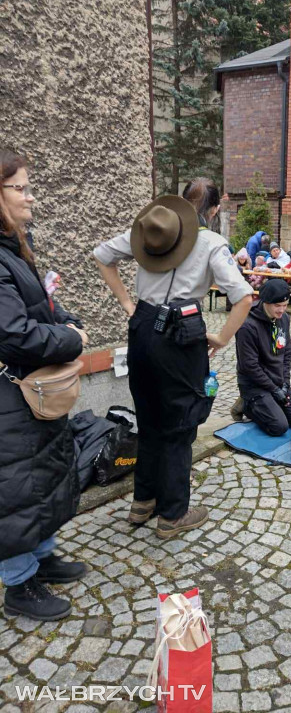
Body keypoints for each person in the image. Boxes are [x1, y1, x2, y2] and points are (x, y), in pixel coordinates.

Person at [94, 179, 253, 539]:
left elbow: (103, 254)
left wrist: (128, 304)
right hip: (181, 335)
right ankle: (172, 515)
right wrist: (223, 338)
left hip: (143, 328)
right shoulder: (212, 242)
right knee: (180, 424)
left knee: (149, 416)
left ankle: (143, 502)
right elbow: (243, 297)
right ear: (213, 211)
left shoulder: (151, 228)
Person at [0, 149, 89, 621]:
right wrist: (69, 340)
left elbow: (43, 308)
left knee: (43, 477)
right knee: (15, 488)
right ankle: (18, 585)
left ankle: (41, 558)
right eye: (22, 188)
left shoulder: (16, 247)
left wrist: (68, 322)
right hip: (8, 394)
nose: (31, 196)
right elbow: (13, 335)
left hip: (29, 393)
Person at [233, 278, 291, 434]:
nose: (282, 310)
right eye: (277, 306)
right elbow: (249, 366)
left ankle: (272, 403)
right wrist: (274, 390)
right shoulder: (247, 325)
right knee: (278, 426)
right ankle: (246, 404)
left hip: (278, 382)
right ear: (265, 302)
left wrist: (285, 383)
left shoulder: (284, 319)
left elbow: (287, 353)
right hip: (255, 385)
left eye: (285, 305)